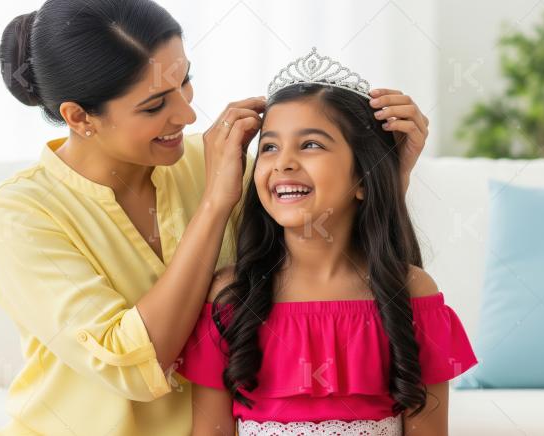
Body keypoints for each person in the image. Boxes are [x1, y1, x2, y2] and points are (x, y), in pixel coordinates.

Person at [0, 3, 431, 435]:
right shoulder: (19, 214)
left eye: (185, 81)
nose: (188, 113)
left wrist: (385, 172)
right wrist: (215, 204)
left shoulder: (217, 161)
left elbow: (331, 250)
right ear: (80, 118)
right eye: (154, 105)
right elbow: (133, 365)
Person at [178, 48, 476, 436]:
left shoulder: (411, 291)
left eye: (311, 144)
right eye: (269, 146)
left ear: (364, 179)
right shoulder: (231, 297)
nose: (282, 162)